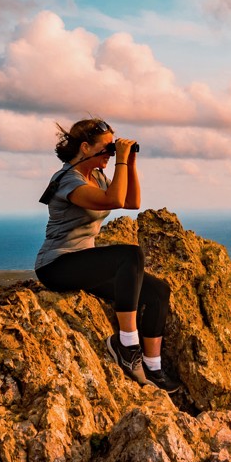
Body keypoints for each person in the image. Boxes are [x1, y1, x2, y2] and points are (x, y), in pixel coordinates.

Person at [34, 118, 182, 394]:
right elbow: (112, 201)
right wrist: (121, 161)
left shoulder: (97, 176)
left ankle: (153, 365)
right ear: (86, 147)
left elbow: (130, 202)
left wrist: (130, 161)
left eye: (111, 150)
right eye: (106, 149)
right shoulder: (69, 181)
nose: (109, 154)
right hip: (56, 265)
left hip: (82, 261)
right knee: (130, 255)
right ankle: (126, 345)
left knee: (157, 291)